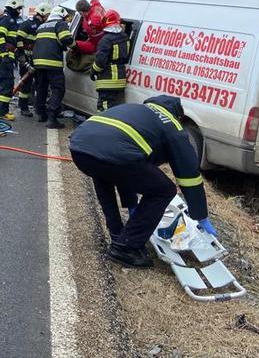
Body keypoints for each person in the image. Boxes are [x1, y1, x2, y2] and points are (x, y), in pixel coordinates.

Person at [68, 95, 215, 268]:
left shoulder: (138, 110)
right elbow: (189, 176)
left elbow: (125, 167)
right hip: (113, 153)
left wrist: (132, 204)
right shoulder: (172, 125)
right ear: (178, 115)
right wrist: (200, 215)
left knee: (103, 174)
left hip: (79, 146)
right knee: (164, 190)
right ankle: (126, 247)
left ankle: (117, 234)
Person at [32, 6, 74, 129]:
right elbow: (66, 38)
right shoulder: (60, 24)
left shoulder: (42, 26)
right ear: (61, 16)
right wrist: (76, 46)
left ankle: (41, 114)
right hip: (52, 62)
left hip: (38, 62)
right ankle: (52, 118)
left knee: (42, 87)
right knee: (58, 89)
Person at [91, 9, 131, 111]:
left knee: (103, 109)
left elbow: (100, 62)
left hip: (107, 80)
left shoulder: (106, 40)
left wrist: (93, 71)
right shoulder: (125, 37)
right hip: (121, 79)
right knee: (116, 109)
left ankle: (101, 127)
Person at [0, 0, 23, 120]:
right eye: (18, 9)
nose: (19, 11)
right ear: (13, 7)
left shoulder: (8, 18)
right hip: (3, 57)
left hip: (3, 57)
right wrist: (5, 54)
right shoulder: (6, 18)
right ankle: (2, 112)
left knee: (0, 84)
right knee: (6, 84)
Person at [16, 3, 50, 117]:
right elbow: (18, 40)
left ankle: (38, 106)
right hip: (27, 58)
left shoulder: (43, 26)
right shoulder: (27, 25)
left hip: (37, 59)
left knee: (39, 83)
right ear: (43, 13)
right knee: (26, 83)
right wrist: (22, 58)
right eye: (48, 15)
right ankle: (23, 107)